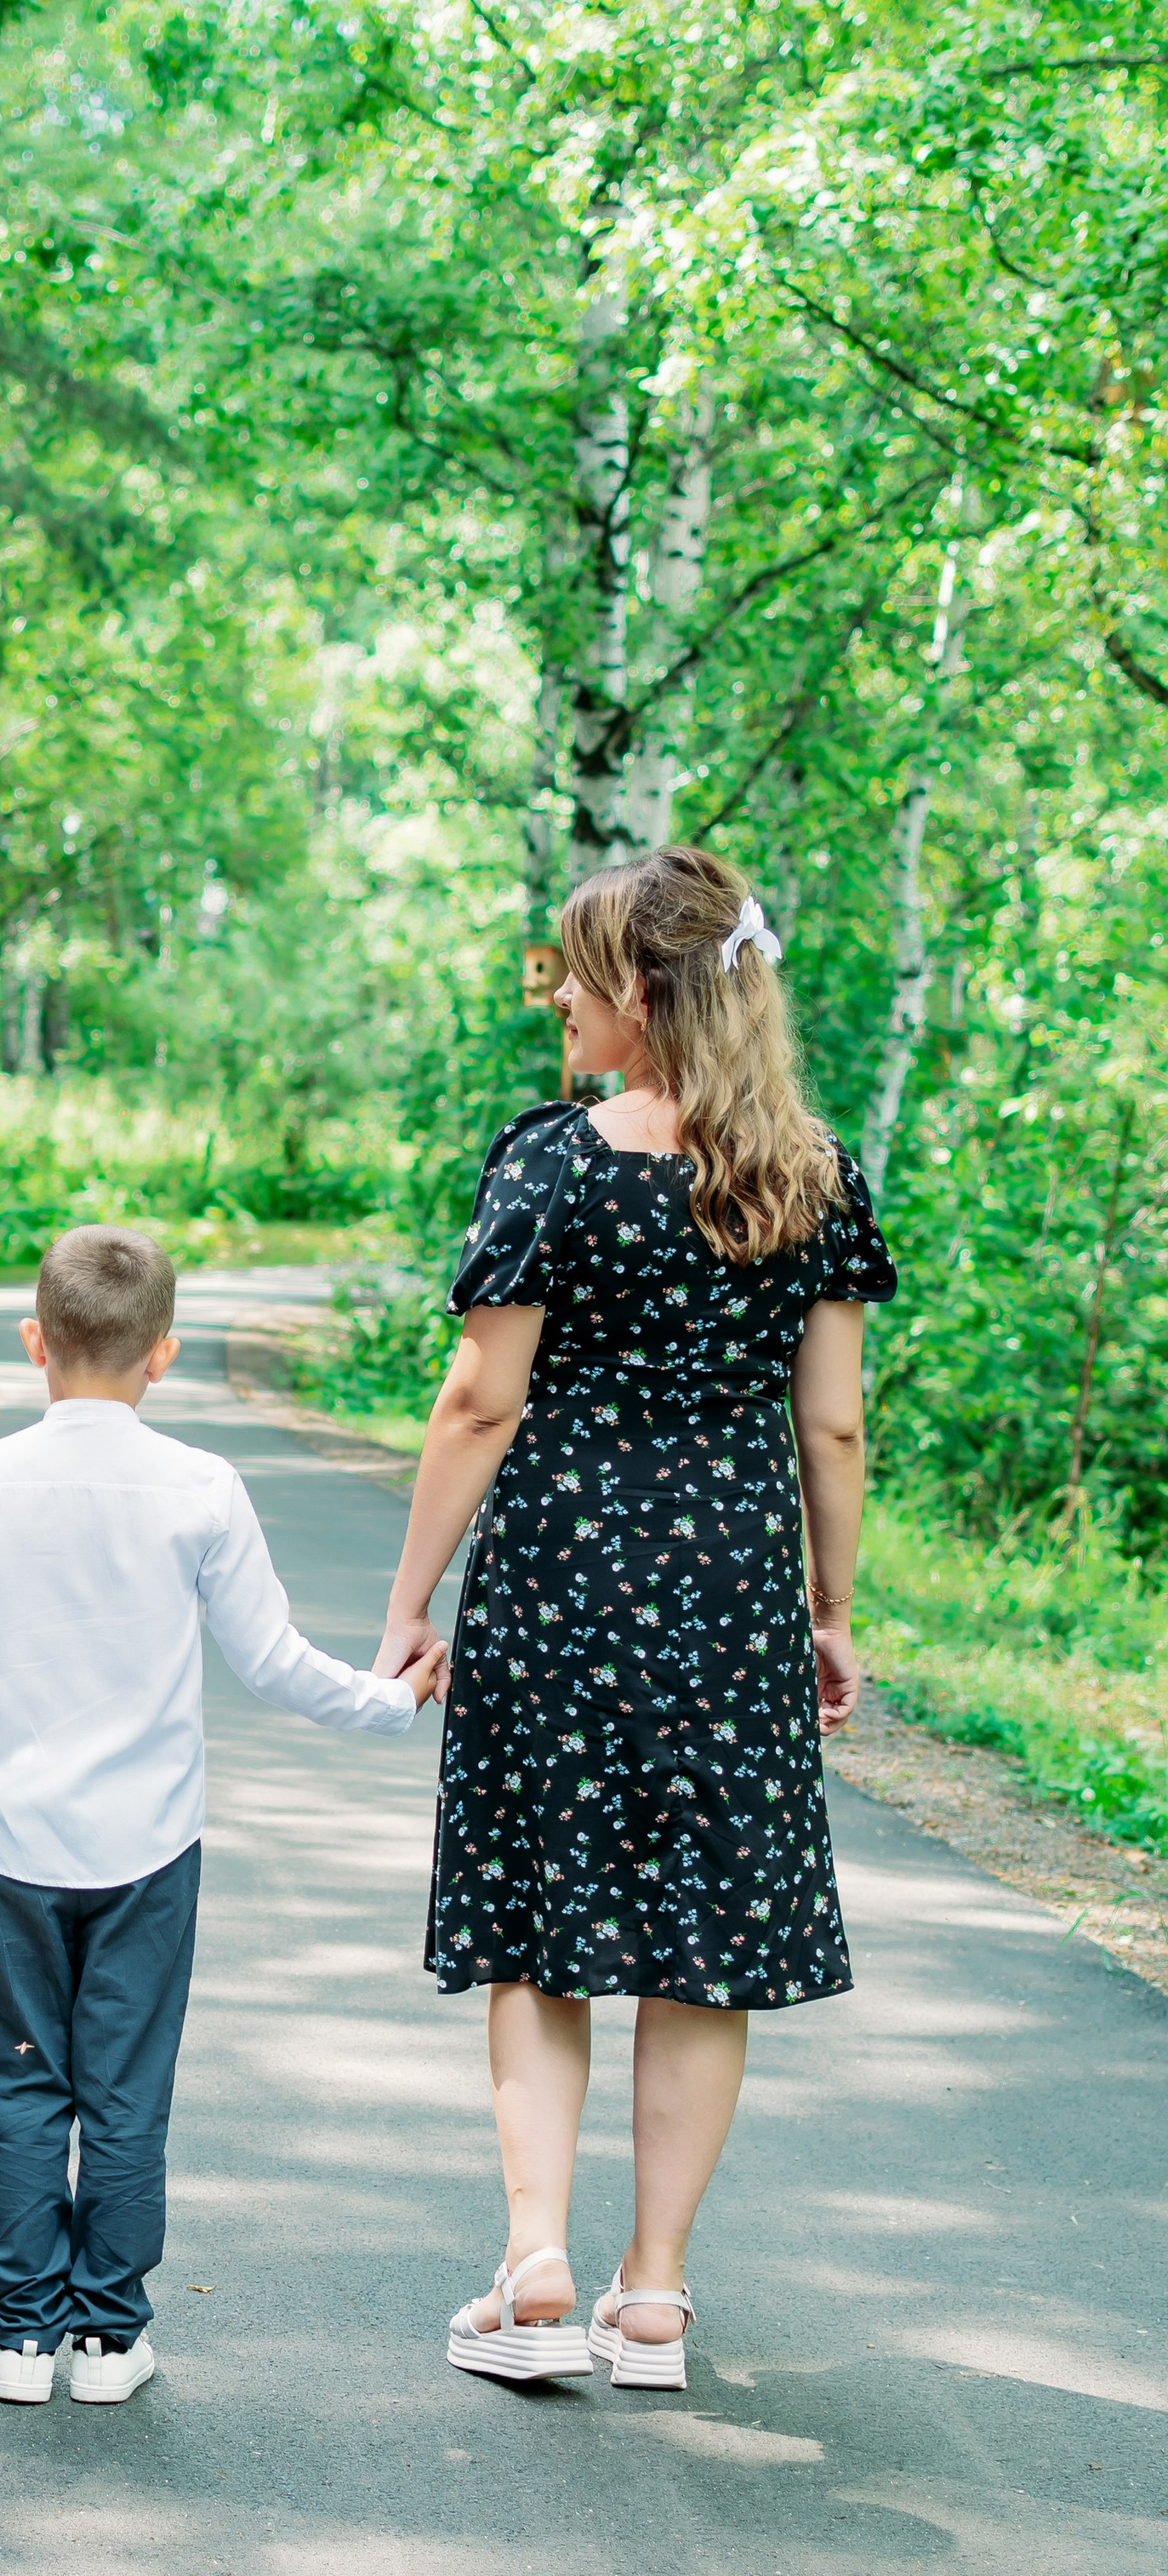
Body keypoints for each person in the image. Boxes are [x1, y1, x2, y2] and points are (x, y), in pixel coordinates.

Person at [372, 845, 896, 2392]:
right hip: (732, 1597)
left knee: (544, 1933)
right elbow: (836, 1432)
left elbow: (480, 1401)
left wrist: (411, 1601)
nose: (556, 996)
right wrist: (831, 1608)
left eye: (574, 972)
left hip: (560, 1584)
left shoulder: (552, 1158)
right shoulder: (808, 1174)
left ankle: (537, 2267)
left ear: (645, 993)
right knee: (704, 1947)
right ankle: (652, 2296)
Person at [0, 1225, 440, 2405]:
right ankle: (108, 2337)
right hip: (149, 1850)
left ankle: (22, 2338)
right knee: (129, 2093)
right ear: (166, 1357)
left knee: (28, 2088)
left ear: (34, 1341)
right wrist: (390, 1700)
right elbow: (272, 1659)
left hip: (10, 1849)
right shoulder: (202, 1486)